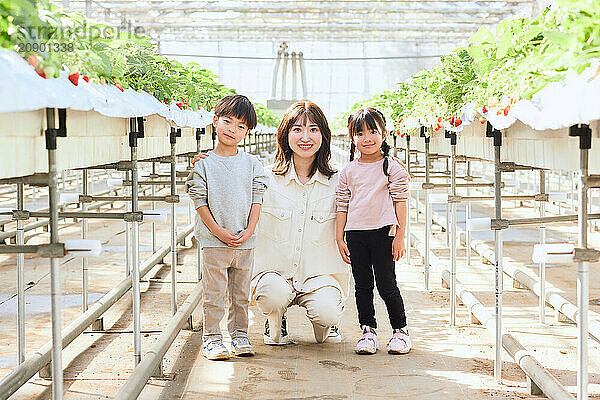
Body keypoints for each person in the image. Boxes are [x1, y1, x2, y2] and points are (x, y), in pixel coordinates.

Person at [251, 101, 349, 345]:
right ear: (285, 135)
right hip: (275, 272)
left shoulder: (340, 181)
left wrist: (388, 167)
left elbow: (373, 190)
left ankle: (325, 323)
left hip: (319, 275)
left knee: (327, 312)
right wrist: (207, 165)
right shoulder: (265, 177)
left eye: (313, 129)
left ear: (324, 136)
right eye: (297, 129)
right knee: (274, 295)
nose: (305, 136)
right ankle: (274, 319)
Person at [186, 94, 269, 360]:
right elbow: (199, 201)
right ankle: (212, 338)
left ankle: (240, 335)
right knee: (213, 294)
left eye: (241, 126)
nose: (233, 130)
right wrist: (218, 231)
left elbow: (257, 199)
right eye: (227, 121)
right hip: (214, 242)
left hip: (245, 242)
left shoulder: (252, 164)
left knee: (241, 294)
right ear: (215, 121)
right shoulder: (204, 164)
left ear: (247, 132)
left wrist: (249, 230)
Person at [335, 107, 412, 355]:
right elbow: (342, 204)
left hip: (383, 234)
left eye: (372, 131)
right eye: (360, 133)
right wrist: (340, 236)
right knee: (362, 285)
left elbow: (401, 201)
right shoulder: (348, 171)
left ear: (384, 134)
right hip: (356, 234)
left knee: (387, 283)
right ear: (351, 137)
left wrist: (399, 237)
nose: (367, 138)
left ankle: (400, 331)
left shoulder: (392, 167)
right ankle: (368, 330)